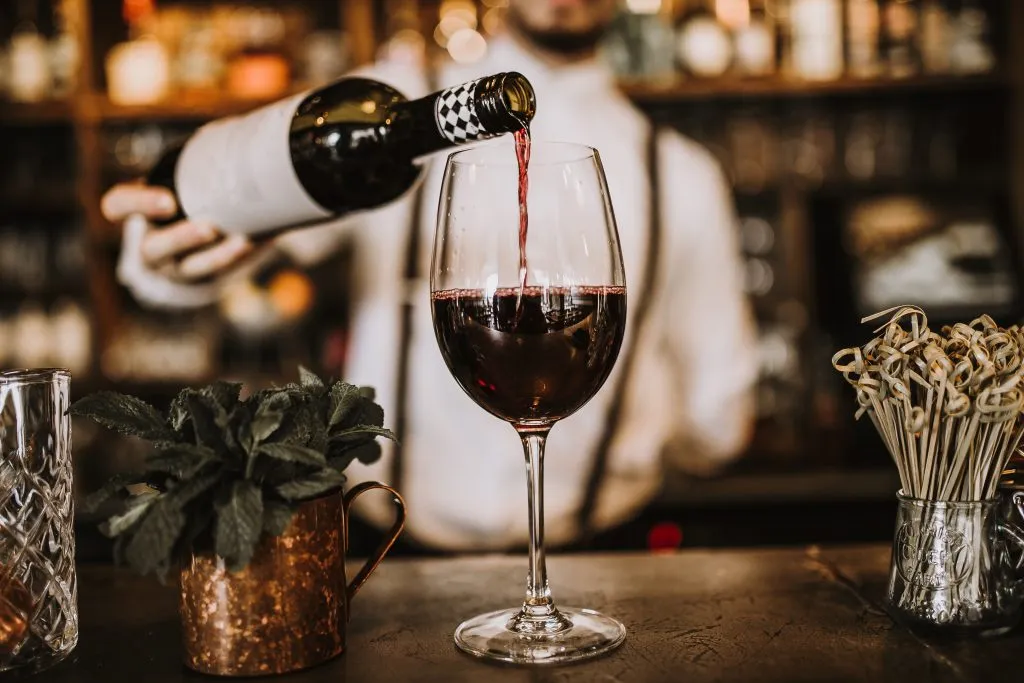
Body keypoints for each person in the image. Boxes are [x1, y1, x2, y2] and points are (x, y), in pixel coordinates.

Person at [100, 0, 758, 552]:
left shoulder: (685, 175)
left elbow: (723, 414)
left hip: (604, 563)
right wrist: (167, 258)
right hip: (389, 555)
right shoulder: (401, 115)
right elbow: (217, 243)